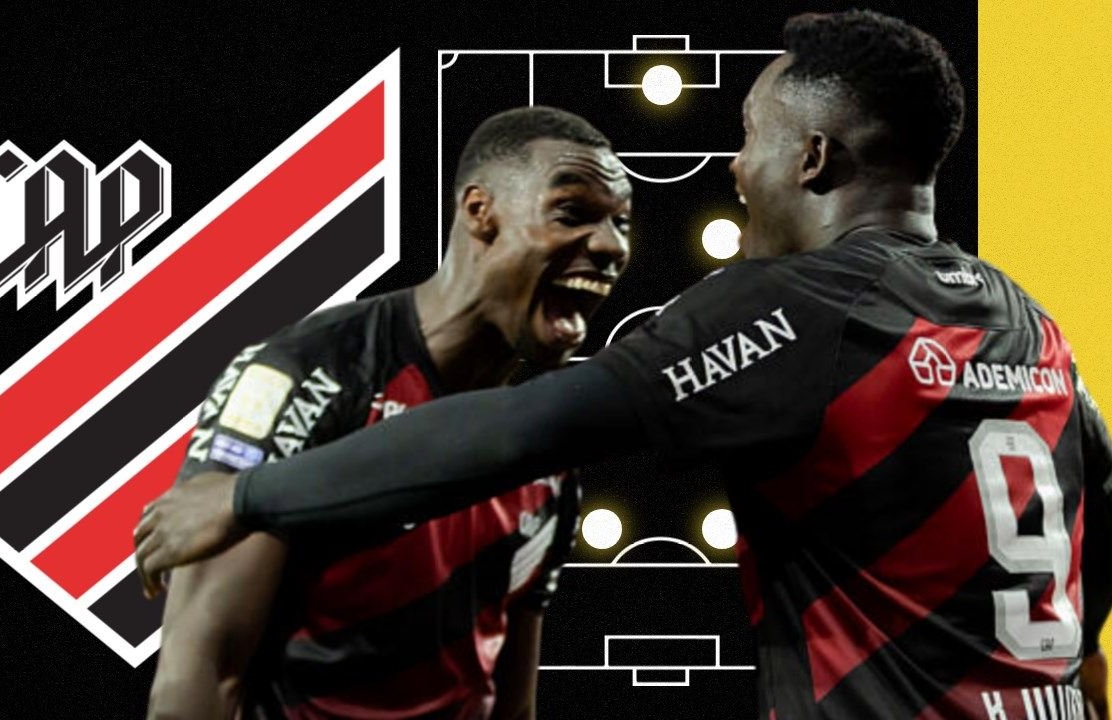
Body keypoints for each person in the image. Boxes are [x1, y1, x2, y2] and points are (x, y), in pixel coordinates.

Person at [136, 11, 1112, 719]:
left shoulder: (801, 306)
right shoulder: (1030, 325)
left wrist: (247, 497)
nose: (736, 169)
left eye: (749, 138)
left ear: (812, 158)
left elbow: (525, 431)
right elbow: (1094, 529)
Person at [143, 106, 632, 719]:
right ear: (479, 211)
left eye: (621, 222)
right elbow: (199, 682)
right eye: (572, 213)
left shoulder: (550, 434)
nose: (613, 246)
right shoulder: (308, 375)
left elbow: (511, 698)